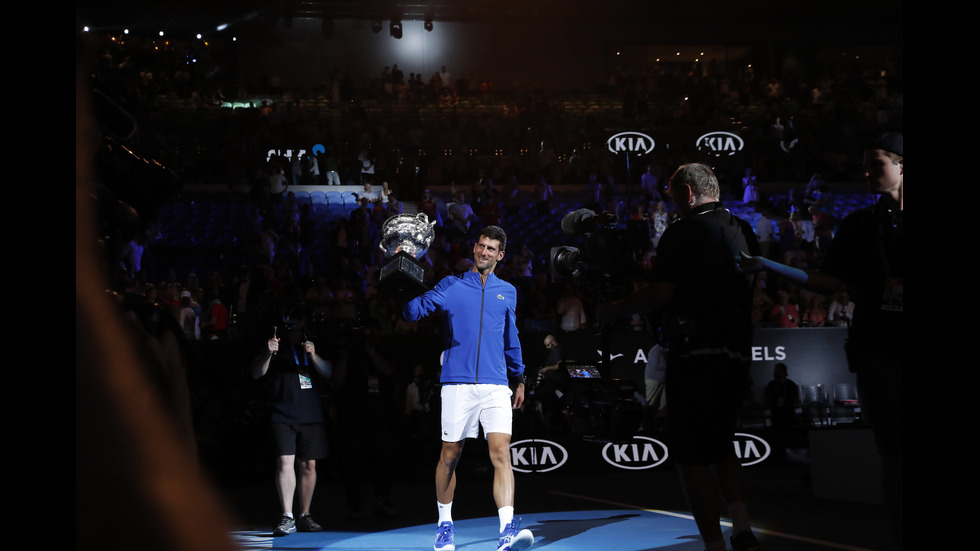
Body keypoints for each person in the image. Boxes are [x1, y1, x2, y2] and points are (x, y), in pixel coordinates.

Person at [739, 132, 903, 549]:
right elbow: (827, 282)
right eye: (865, 164)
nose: (867, 173)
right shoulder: (861, 224)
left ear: (901, 165)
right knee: (894, 454)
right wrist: (766, 263)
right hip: (878, 350)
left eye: (876, 164)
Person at [599, 163, 762, 551]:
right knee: (722, 444)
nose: (672, 204)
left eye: (673, 197)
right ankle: (741, 528)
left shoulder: (683, 232)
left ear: (688, 194)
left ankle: (714, 545)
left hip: (695, 353)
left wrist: (614, 308)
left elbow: (661, 292)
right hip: (736, 353)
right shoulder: (746, 231)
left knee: (690, 456)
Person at [402, 225, 534, 551]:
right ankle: (444, 526)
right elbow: (412, 312)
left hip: (496, 383)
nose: (484, 252)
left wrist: (519, 378)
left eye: (491, 249)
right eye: (480, 246)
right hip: (457, 383)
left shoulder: (508, 291)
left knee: (501, 452)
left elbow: (511, 339)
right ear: (474, 248)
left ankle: (507, 531)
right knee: (450, 455)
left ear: (500, 255)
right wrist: (401, 285)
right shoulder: (451, 285)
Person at [250, 309, 333, 537]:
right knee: (285, 462)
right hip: (282, 413)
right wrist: (268, 354)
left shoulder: (311, 344)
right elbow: (257, 373)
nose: (294, 332)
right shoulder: (275, 345)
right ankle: (287, 516)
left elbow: (328, 372)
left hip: (311, 413)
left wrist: (314, 356)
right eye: (291, 328)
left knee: (309, 465)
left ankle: (305, 514)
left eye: (298, 328)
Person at [764, 362, 800, 461]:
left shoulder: (791, 384)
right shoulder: (771, 384)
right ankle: (778, 456)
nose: (774, 372)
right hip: (776, 414)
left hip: (788, 413)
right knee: (776, 435)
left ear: (782, 371)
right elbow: (767, 399)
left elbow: (796, 399)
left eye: (776, 370)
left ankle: (789, 457)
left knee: (788, 434)